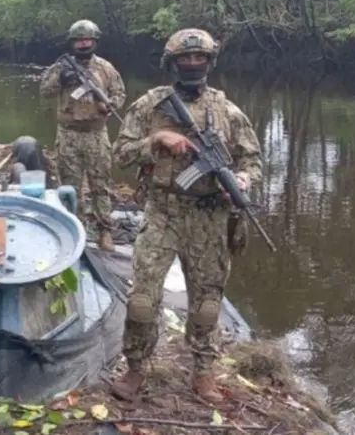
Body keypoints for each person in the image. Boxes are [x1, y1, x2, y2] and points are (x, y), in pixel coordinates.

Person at [110, 28, 263, 402]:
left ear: (209, 62)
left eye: (199, 58)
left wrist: (241, 181)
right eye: (185, 58)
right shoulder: (150, 106)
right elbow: (120, 154)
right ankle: (135, 368)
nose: (193, 64)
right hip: (163, 211)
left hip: (209, 217)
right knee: (142, 300)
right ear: (172, 63)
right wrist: (156, 140)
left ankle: (203, 371)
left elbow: (253, 160)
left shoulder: (227, 111)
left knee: (208, 303)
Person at [38, 19, 125, 251]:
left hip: (97, 134)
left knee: (101, 184)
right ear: (72, 43)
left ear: (95, 41)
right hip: (69, 134)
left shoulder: (105, 68)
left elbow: (119, 93)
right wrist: (61, 79)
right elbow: (44, 91)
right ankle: (74, 226)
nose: (83, 44)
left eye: (87, 40)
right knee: (69, 185)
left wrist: (111, 104)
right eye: (79, 41)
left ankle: (104, 229)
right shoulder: (60, 67)